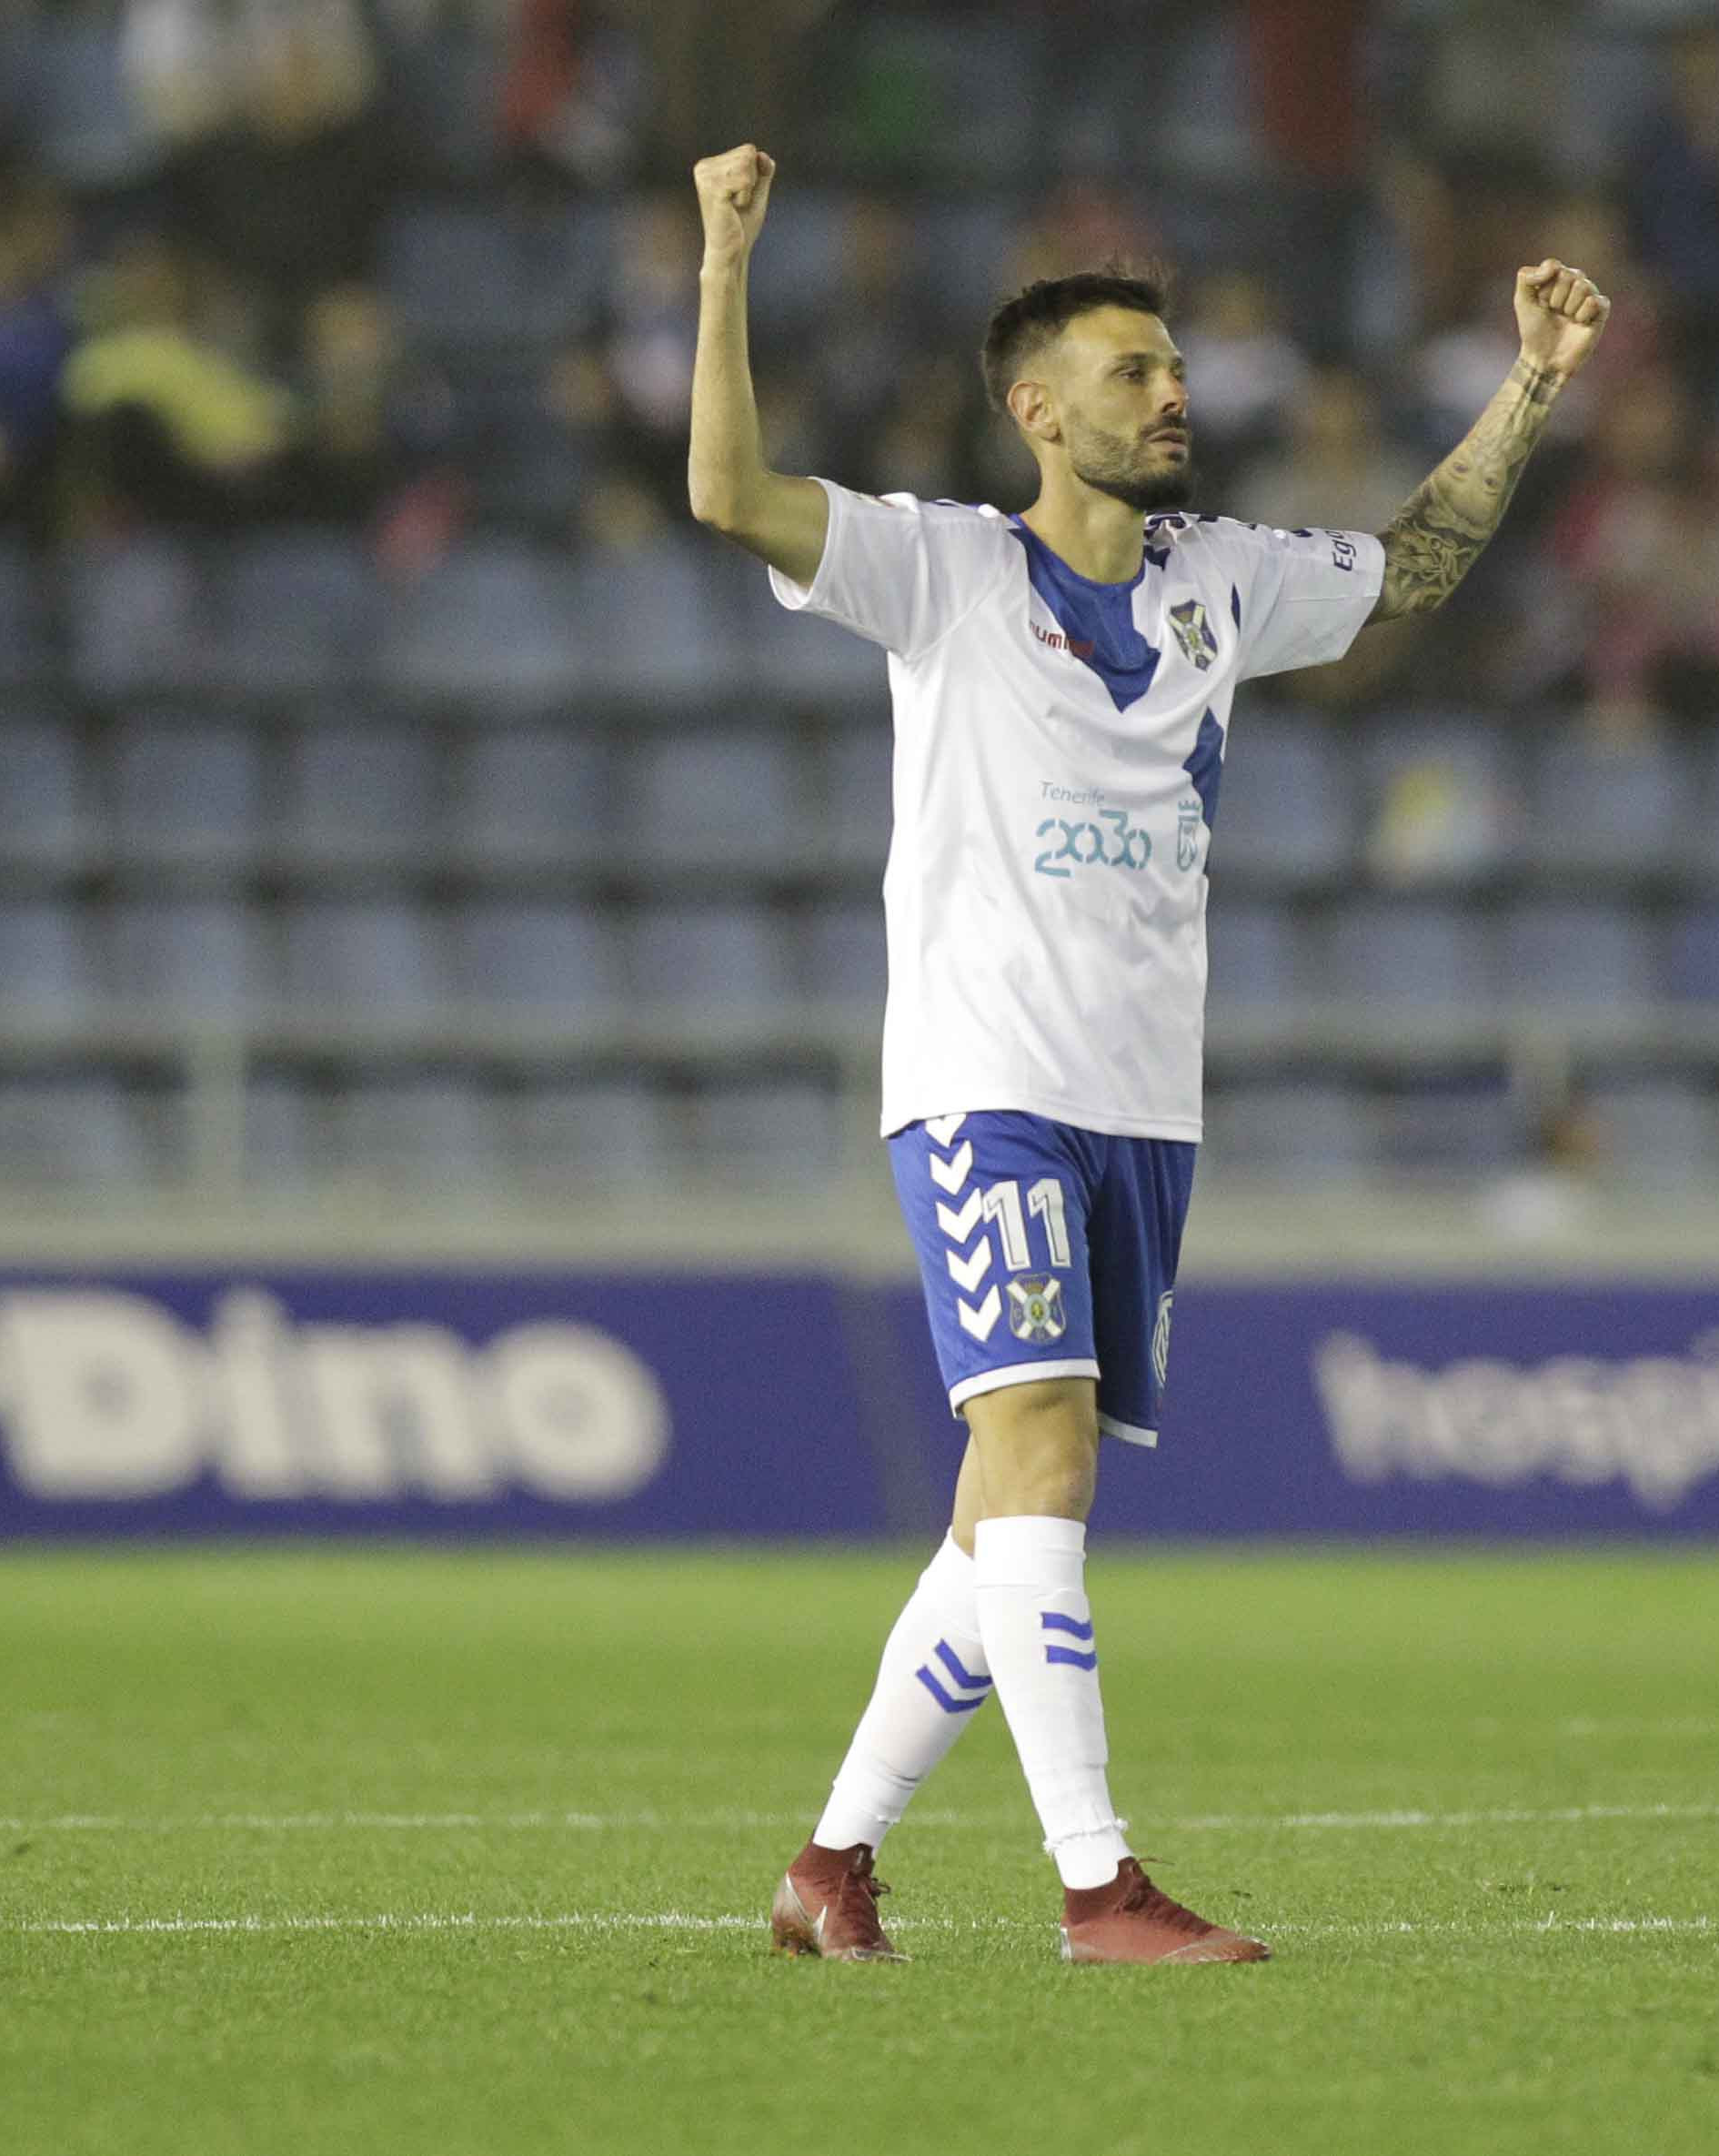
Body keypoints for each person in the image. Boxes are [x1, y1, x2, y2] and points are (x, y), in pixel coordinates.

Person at [682, 143, 1607, 1965]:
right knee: (1044, 1469)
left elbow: (1412, 566)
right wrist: (722, 264)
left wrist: (1533, 387)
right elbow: (723, 489)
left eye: (1173, 370)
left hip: (1139, 1107)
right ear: (1033, 407)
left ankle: (829, 1870)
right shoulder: (942, 570)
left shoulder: (1223, 579)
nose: (1170, 394)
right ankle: (1099, 1887)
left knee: (993, 1526)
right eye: (1129, 372)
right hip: (988, 1077)